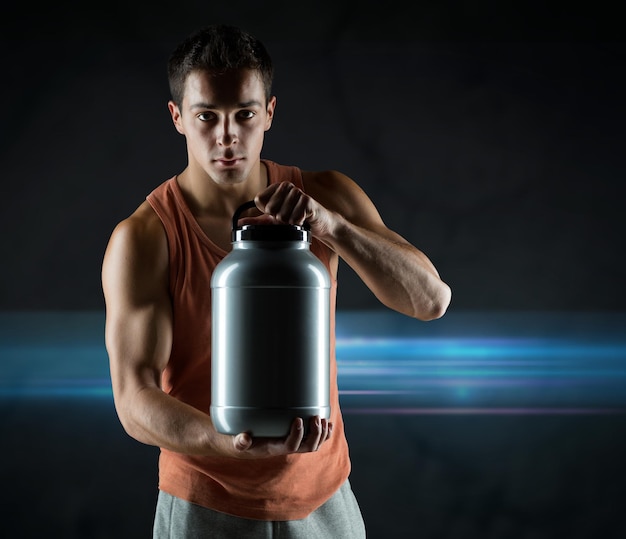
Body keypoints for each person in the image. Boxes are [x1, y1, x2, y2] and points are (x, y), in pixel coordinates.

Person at [101, 23, 451, 538]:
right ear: (177, 118)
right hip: (206, 503)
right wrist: (226, 441)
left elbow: (430, 300)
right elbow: (134, 401)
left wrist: (330, 227)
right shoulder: (146, 238)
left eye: (244, 114)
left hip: (324, 496)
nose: (227, 137)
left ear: (269, 111)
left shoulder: (325, 196)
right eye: (206, 117)